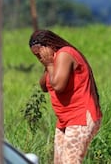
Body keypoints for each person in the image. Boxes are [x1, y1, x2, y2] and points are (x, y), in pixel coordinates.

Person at [28, 29, 102, 164]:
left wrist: (50, 64)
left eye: (40, 54)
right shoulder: (52, 60)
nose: (40, 58)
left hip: (80, 116)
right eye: (37, 56)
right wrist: (47, 65)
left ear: (49, 46)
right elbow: (44, 86)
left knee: (70, 161)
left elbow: (58, 86)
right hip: (65, 119)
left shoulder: (65, 54)